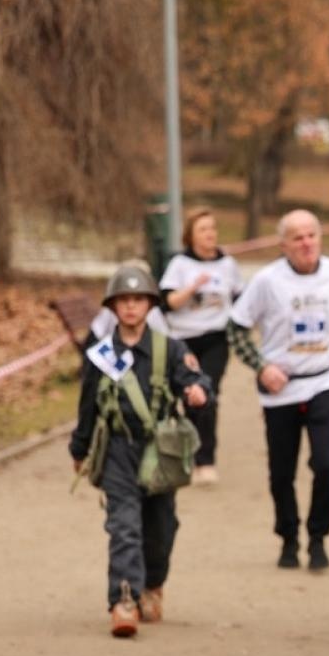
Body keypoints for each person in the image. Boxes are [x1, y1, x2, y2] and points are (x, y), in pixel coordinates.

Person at [69, 264, 210, 637]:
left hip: (160, 453)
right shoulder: (100, 354)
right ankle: (124, 599)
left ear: (149, 304)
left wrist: (197, 392)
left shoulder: (170, 349)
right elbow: (87, 407)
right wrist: (79, 448)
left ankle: (153, 585)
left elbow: (196, 380)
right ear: (113, 307)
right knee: (124, 527)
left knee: (161, 528)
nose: (131, 307)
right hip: (118, 449)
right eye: (123, 301)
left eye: (138, 300)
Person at [227, 210, 329, 571]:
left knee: (326, 464)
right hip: (281, 388)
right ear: (283, 244)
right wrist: (261, 367)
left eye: (311, 235)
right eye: (297, 237)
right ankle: (288, 537)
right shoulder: (267, 281)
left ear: (320, 238)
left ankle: (318, 538)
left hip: (324, 381)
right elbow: (235, 329)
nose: (306, 243)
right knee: (282, 471)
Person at [159, 208, 243, 485]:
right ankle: (188, 454)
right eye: (203, 230)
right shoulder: (180, 264)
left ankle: (206, 460)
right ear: (191, 236)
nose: (210, 234)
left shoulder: (227, 264)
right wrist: (192, 288)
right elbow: (166, 303)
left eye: (212, 228)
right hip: (184, 340)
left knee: (208, 392)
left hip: (216, 338)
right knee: (189, 395)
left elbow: (240, 298)